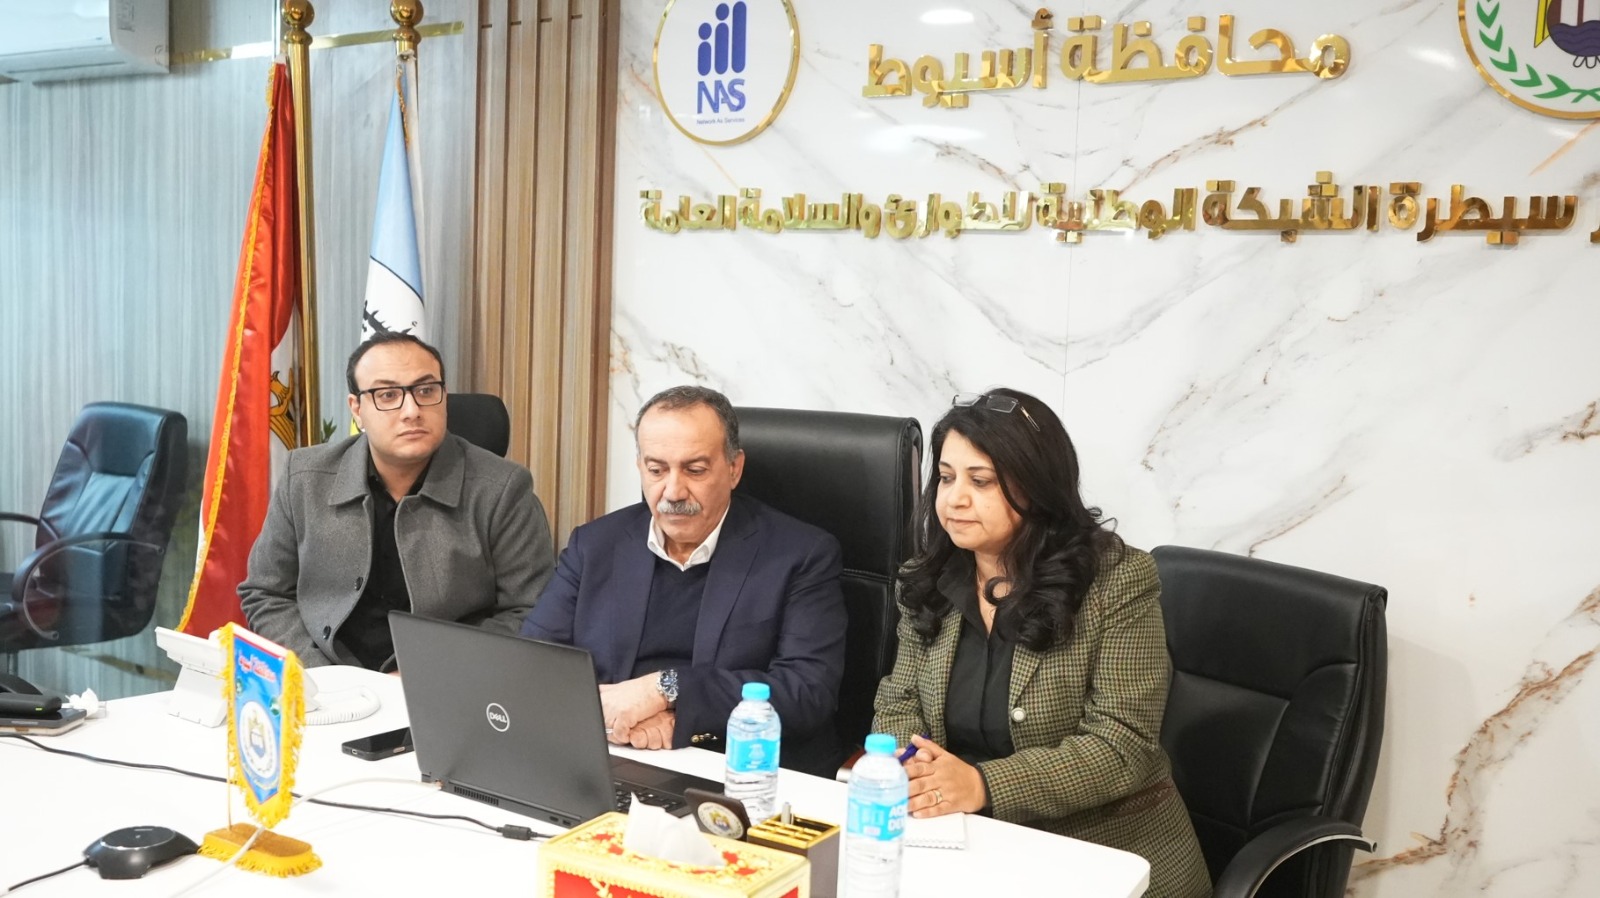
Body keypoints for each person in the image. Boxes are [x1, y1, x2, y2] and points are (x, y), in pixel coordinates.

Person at [872, 388, 1212, 898]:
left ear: (1035, 488)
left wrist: (982, 785)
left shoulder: (1117, 581)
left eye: (980, 481)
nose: (954, 499)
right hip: (963, 846)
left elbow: (1122, 745)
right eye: (945, 477)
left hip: (1103, 854)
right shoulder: (927, 577)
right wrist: (916, 772)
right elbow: (898, 701)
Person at [521, 385, 848, 776]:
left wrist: (668, 694)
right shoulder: (595, 545)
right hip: (612, 756)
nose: (673, 492)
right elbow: (534, 663)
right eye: (656, 470)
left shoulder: (801, 554)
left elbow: (806, 691)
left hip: (740, 771)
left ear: (734, 468)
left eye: (695, 470)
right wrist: (618, 722)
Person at [240, 333, 556, 670]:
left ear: (444, 397)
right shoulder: (304, 478)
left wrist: (425, 675)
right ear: (357, 409)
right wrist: (320, 674)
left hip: (444, 683)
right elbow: (266, 593)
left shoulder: (503, 490)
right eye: (387, 395)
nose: (412, 411)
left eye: (426, 391)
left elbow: (532, 611)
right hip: (325, 680)